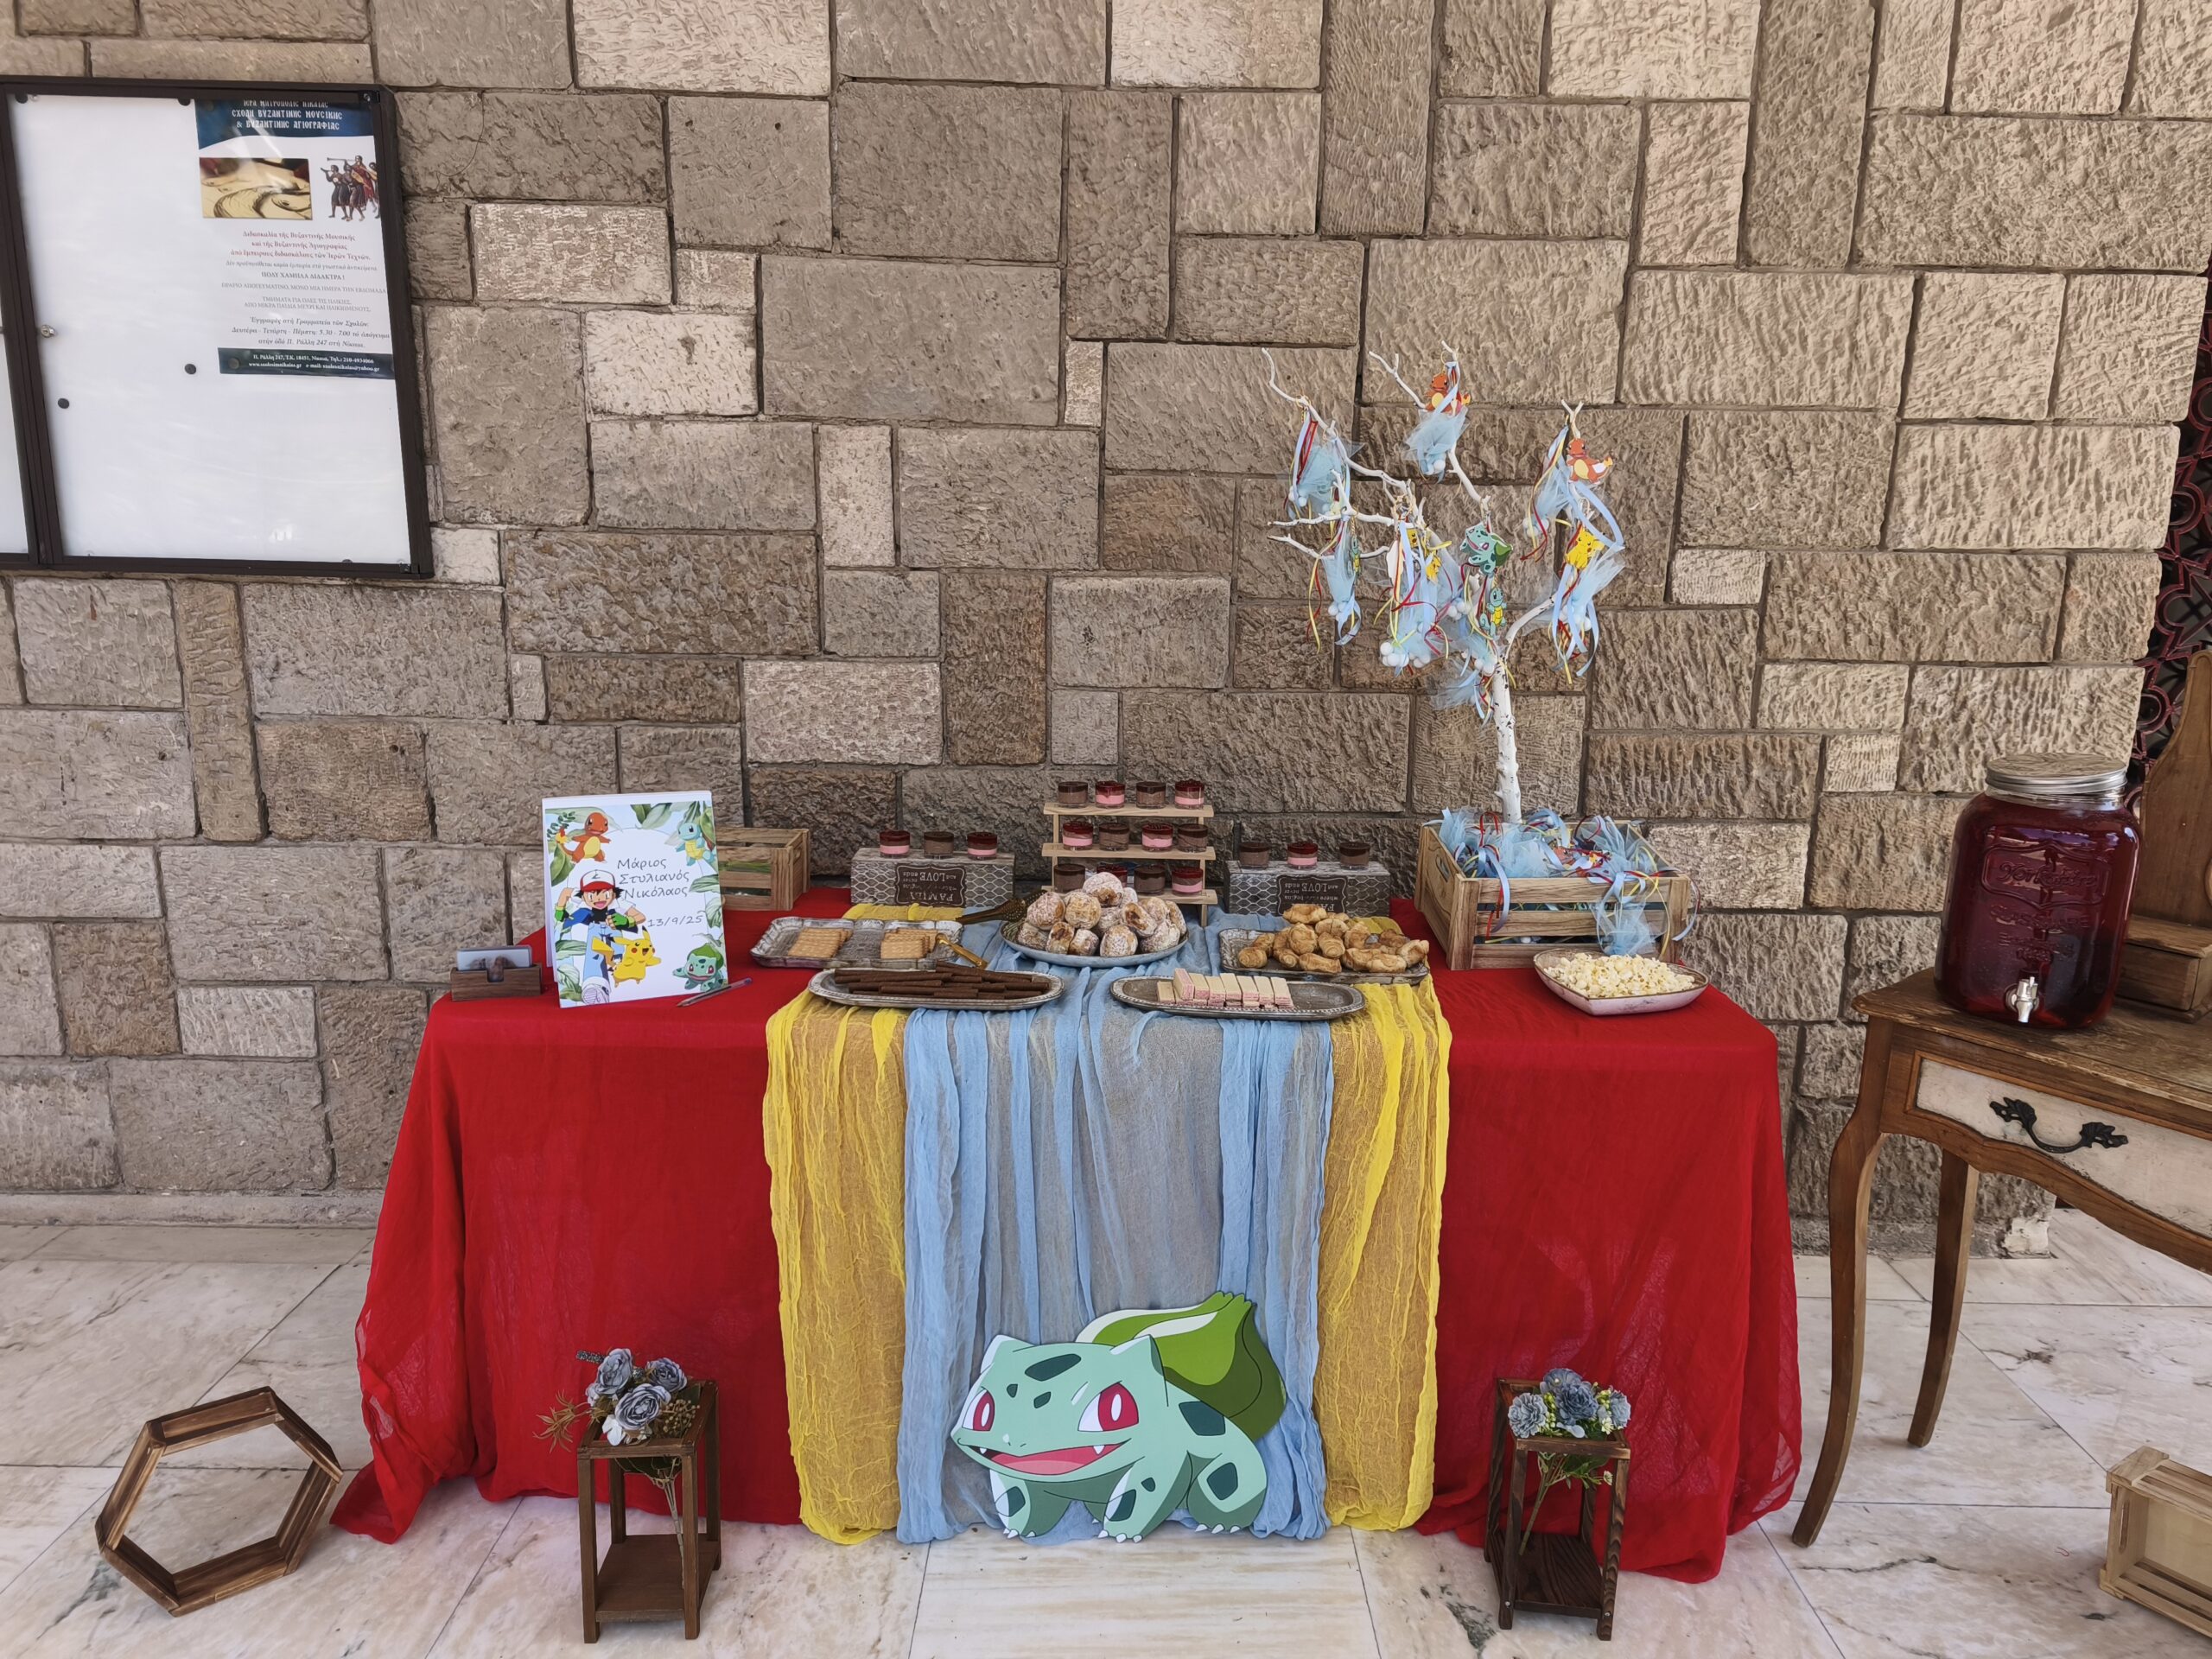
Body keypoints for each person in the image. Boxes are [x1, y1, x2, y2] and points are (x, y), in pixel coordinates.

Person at [552, 870, 644, 1004]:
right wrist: (560, 909)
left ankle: (620, 968)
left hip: (613, 927)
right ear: (583, 896)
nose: (599, 899)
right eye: (591, 896)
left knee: (617, 952)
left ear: (613, 893)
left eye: (605, 894)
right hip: (594, 927)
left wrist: (627, 921)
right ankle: (594, 987)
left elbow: (640, 916)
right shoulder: (579, 896)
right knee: (593, 954)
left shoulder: (619, 902)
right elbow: (566, 892)